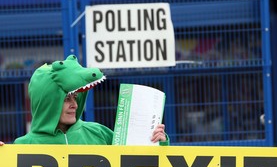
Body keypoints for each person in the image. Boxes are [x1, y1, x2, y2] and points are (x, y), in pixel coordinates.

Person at [1, 55, 168, 145]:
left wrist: (157, 143)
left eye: (75, 97)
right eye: (66, 98)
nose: (74, 104)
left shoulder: (98, 133)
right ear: (48, 101)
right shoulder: (24, 145)